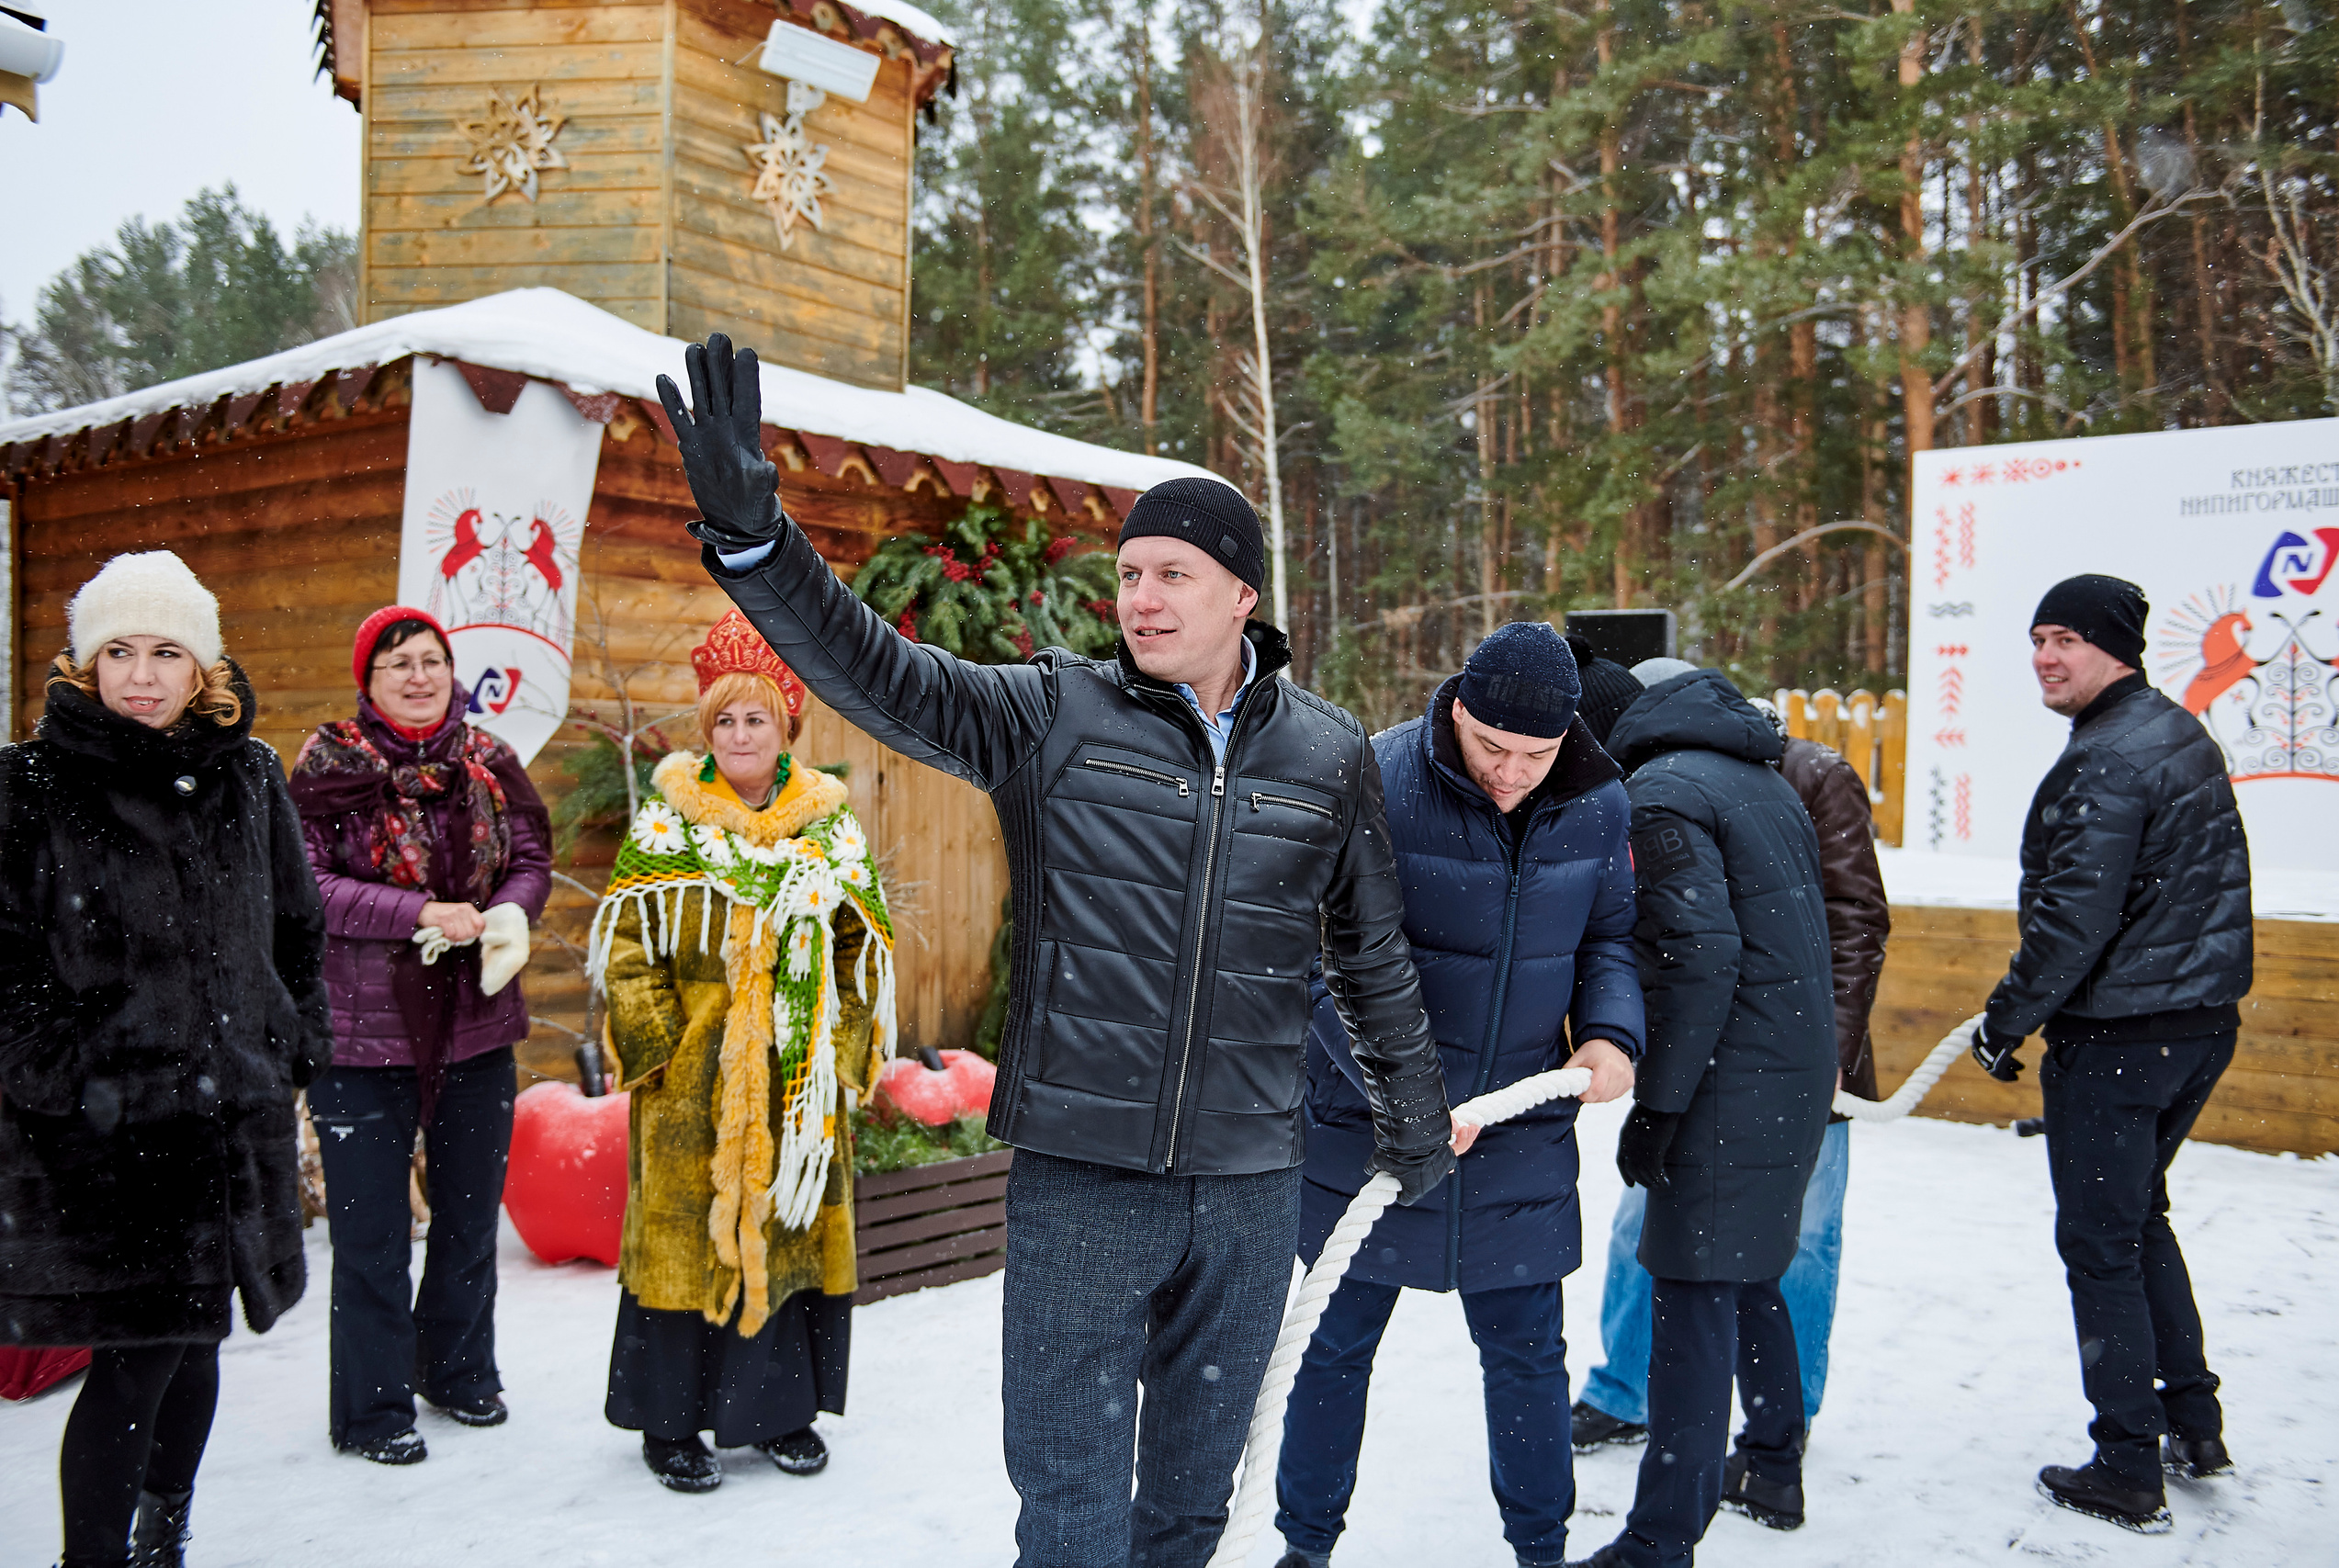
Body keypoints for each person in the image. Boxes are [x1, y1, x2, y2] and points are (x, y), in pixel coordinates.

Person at [659, 333, 1456, 1567]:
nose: (1140, 595)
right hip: (1084, 1176)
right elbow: (879, 671)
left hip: (1251, 1180)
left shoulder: (1328, 752)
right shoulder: (1050, 716)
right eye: (1131, 571)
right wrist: (761, 549)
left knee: (1191, 1510)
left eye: (1173, 572)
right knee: (1074, 1518)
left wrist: (1412, 1103)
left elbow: (1369, 950)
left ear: (1243, 594)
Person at [1271, 623, 1644, 1568]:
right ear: (1456, 710)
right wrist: (1402, 1093)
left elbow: (1608, 937)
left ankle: (1540, 1551)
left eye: (1536, 754)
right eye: (1491, 748)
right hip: (1365, 1125)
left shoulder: (1597, 802)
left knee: (1526, 1358)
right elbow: (1312, 961)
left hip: (1520, 1125)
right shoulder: (1375, 780)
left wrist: (1610, 1031)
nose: (1512, 774)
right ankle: (1302, 1549)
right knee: (1330, 1347)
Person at [0, 551, 330, 1568]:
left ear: (204, 669)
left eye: (166, 653)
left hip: (229, 1118)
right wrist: (65, 1073)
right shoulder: (30, 784)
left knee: (197, 1340)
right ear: (85, 663)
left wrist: (290, 1041)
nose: (140, 675)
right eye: (120, 652)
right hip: (103, 1134)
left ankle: (162, 1532)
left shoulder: (249, 774)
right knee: (135, 1359)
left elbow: (295, 929)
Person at [1572, 659, 1891, 1533]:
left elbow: (1702, 959)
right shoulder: (1752, 774)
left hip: (1728, 1082)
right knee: (1751, 1280)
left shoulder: (1664, 795)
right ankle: (1776, 1461)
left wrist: (1660, 1105)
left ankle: (1659, 1540)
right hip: (1786, 1071)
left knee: (1692, 1300)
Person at [1966, 575, 2252, 1534]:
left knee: (2098, 1243)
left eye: (2066, 640)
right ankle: (2192, 1422)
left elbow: (2071, 919)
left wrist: (2005, 1019)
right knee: (2137, 1222)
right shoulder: (2171, 731)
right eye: (2037, 638)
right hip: (2196, 1027)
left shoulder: (2108, 759)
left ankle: (2127, 1465)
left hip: (2122, 1041)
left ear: (2115, 647)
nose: (2046, 657)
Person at [589, 612, 895, 1493]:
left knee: (789, 1235)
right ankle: (671, 1423)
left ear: (787, 724)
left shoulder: (829, 835)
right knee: (684, 1245)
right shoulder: (666, 828)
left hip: (796, 1086)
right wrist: (662, 1056)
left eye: (755, 717)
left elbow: (859, 952)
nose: (739, 734)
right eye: (723, 719)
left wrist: (837, 1057)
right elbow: (627, 951)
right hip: (690, 1088)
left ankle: (778, 1412)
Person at [290, 606, 550, 1465]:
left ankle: (460, 1370)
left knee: (471, 1217)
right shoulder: (329, 766)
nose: (417, 675)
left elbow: (530, 856)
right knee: (369, 1236)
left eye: (432, 660)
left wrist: (510, 909)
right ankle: (371, 1409)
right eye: (397, 662)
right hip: (362, 1039)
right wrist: (418, 913)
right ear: (367, 678)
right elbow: (308, 884)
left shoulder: (488, 761)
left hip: (476, 1024)